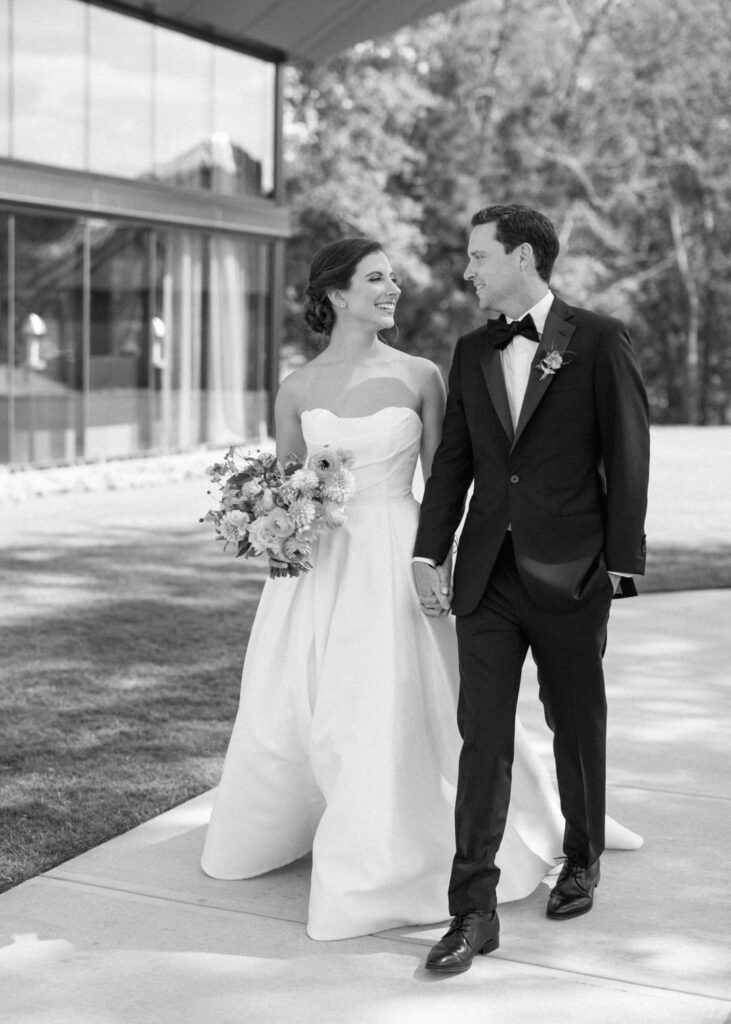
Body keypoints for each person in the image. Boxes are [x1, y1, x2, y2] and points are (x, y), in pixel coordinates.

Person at [201, 236, 643, 942]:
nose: (393, 289)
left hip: (400, 554)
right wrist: (272, 528)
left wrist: (435, 556)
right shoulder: (295, 386)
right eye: (376, 279)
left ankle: (480, 846)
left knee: (418, 704)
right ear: (336, 294)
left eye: (392, 278)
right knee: (313, 702)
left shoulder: (421, 376)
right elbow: (283, 480)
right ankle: (327, 827)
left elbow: (450, 477)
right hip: (320, 570)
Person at [413, 204, 650, 974]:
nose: (468, 269)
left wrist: (621, 561)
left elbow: (628, 451)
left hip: (571, 571)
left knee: (573, 723)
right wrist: (428, 553)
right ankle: (471, 911)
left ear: (521, 257)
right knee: (482, 737)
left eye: (479, 255)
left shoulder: (597, 339)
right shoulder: (470, 349)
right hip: (486, 576)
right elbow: (453, 460)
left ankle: (581, 857)